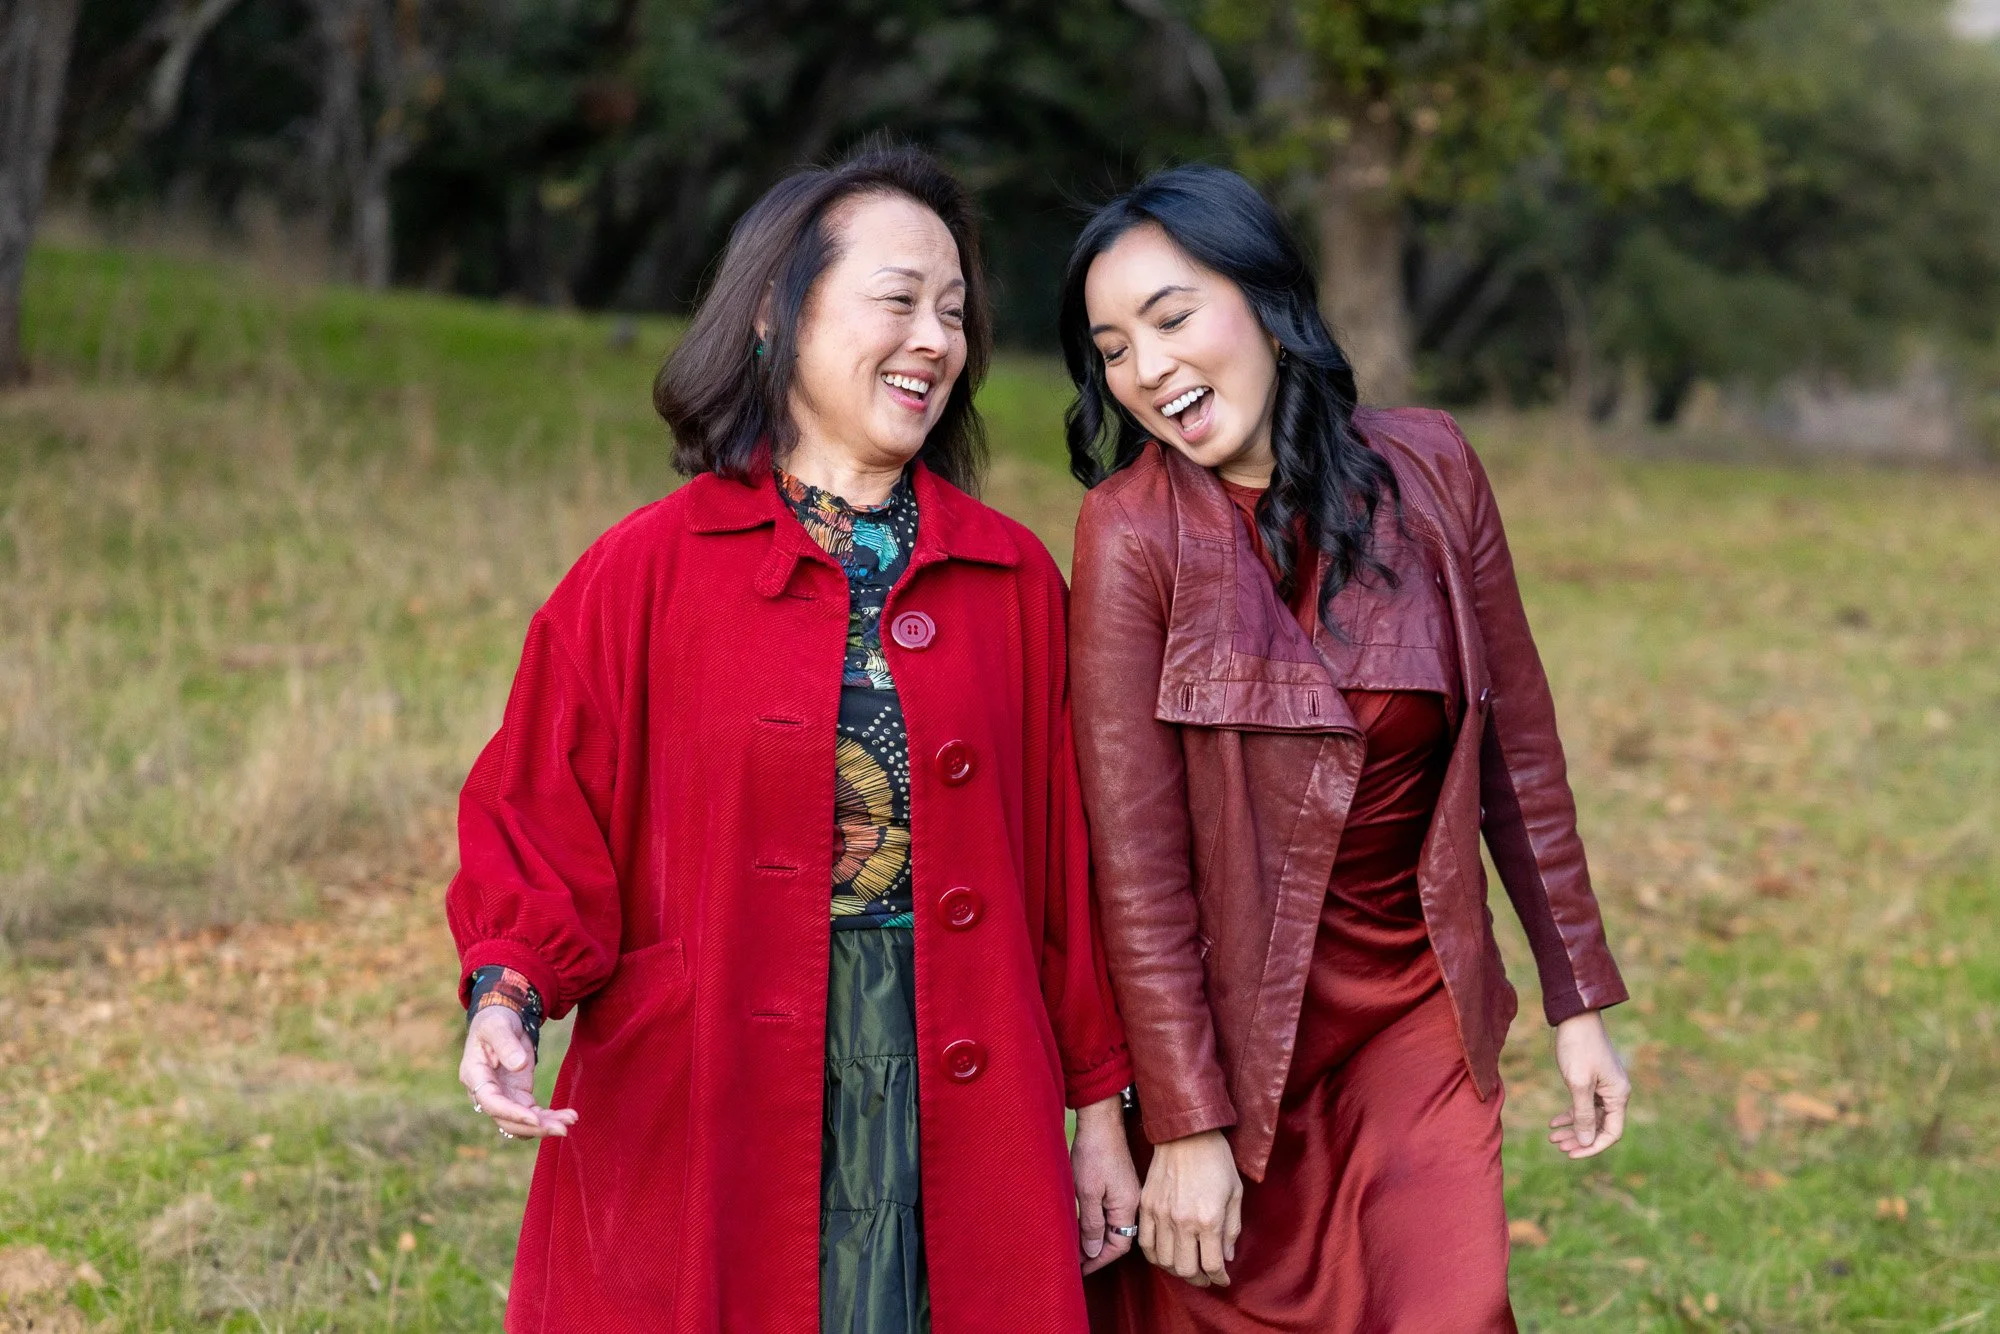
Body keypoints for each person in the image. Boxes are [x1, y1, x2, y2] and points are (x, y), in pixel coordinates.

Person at [446, 143, 1139, 1334]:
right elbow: (540, 814)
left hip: (959, 1082)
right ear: (775, 311)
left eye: (954, 311)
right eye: (898, 299)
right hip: (709, 1085)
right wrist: (506, 997)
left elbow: (1071, 880)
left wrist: (1099, 1110)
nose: (933, 338)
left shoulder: (1013, 579)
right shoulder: (643, 571)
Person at [1062, 164, 1632, 1332]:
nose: (1148, 369)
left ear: (1268, 302)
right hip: (1228, 1037)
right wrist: (1182, 1121)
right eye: (1113, 349)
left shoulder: (1433, 470)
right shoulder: (1128, 532)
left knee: (1451, 1305)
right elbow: (1134, 863)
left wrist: (1576, 997)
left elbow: (1515, 750)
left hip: (1413, 1004)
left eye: (1171, 318)